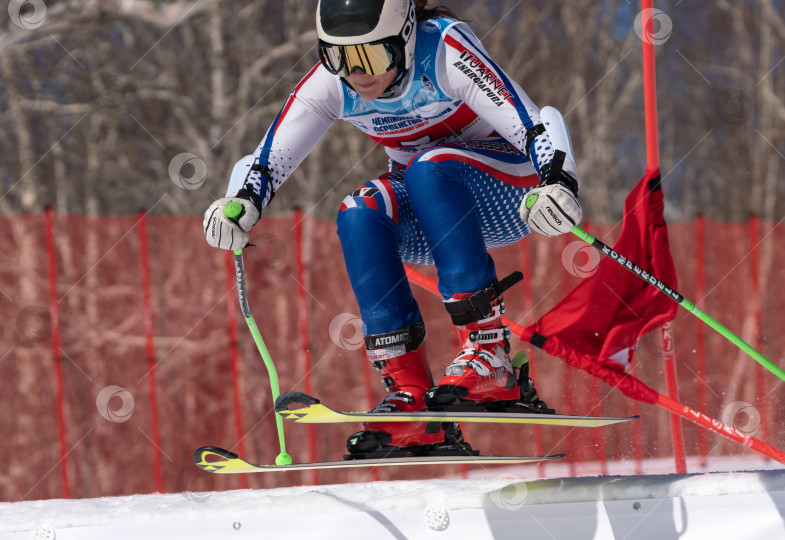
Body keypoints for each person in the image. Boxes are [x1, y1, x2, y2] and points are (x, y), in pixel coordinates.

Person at [204, 0, 582, 455]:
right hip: (434, 215)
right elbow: (269, 159)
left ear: (405, 36)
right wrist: (241, 202)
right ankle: (411, 397)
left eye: (373, 57)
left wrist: (559, 182)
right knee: (358, 211)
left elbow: (533, 123)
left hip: (509, 192)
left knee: (428, 166)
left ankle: (491, 355)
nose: (356, 74)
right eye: (338, 57)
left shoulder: (443, 50)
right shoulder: (334, 84)